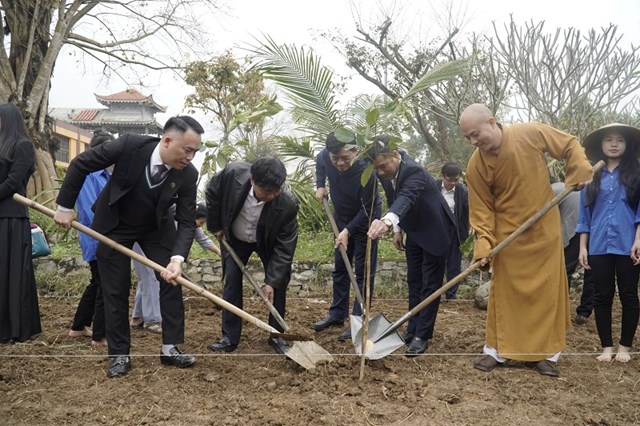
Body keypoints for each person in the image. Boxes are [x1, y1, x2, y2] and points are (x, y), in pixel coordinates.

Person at [54, 115, 204, 378]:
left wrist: (177, 260)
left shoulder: (188, 174)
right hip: (115, 223)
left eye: (195, 152)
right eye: (187, 149)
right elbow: (81, 164)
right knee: (115, 288)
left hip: (155, 228)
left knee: (172, 280)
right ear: (167, 141)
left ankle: (170, 348)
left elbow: (187, 221)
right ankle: (120, 354)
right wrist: (65, 207)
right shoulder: (129, 146)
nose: (191, 157)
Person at [461, 103, 592, 377]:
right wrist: (484, 243)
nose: (474, 142)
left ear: (492, 122)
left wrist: (577, 171)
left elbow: (569, 144)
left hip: (543, 230)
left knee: (546, 292)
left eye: (476, 134)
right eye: (468, 138)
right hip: (508, 237)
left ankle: (546, 355)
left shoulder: (530, 132)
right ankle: (497, 352)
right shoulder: (476, 164)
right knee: (504, 296)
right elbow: (481, 209)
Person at [366, 136, 453, 356]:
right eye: (376, 168)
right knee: (414, 282)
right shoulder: (386, 174)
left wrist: (387, 221)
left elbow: (406, 197)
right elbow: (393, 198)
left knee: (429, 286)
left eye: (383, 166)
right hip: (413, 230)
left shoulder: (414, 171)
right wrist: (398, 230)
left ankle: (422, 336)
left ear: (395, 155)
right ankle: (412, 327)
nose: (381, 172)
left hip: (434, 232)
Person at [206, 157, 298, 355]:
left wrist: (271, 281)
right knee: (231, 281)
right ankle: (229, 337)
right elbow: (212, 192)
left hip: (268, 242)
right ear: (252, 181)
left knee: (279, 283)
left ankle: (277, 335)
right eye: (267, 192)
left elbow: (284, 248)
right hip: (235, 239)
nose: (273, 195)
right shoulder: (232, 175)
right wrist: (216, 225)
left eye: (277, 190)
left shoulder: (288, 204)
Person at [577, 123, 640, 363]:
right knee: (602, 296)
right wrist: (583, 247)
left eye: (620, 140)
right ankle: (606, 347)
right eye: (609, 140)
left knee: (629, 295)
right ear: (601, 145)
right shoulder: (591, 175)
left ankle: (625, 347)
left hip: (628, 244)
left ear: (627, 145)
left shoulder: (636, 173)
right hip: (599, 244)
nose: (614, 144)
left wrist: (638, 240)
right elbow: (586, 215)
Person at [312, 132, 381, 341]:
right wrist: (320, 185)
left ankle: (358, 319)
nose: (340, 163)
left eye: (345, 158)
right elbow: (320, 162)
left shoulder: (367, 170)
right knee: (341, 268)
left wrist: (347, 231)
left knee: (362, 273)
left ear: (355, 150)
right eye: (336, 159)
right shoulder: (326, 156)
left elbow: (366, 208)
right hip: (341, 218)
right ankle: (337, 314)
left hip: (366, 222)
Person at [130, 203, 221, 332]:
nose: (200, 225)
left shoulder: (191, 225)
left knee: (147, 279)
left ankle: (138, 317)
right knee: (151, 278)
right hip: (143, 242)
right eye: (200, 222)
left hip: (158, 247)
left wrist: (219, 252)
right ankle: (152, 321)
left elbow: (204, 240)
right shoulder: (174, 216)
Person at [67, 131, 114, 346]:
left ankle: (78, 326)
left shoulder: (106, 175)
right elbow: (88, 210)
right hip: (96, 237)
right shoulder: (86, 173)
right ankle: (100, 336)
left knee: (97, 282)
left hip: (106, 236)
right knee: (105, 284)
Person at [0, 103, 41, 343]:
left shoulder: (23, 146)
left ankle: (14, 328)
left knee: (13, 273)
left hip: (12, 219)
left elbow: (13, 183)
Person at [551, 181, 594, 325]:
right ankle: (584, 313)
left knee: (565, 270)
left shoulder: (553, 189)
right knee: (590, 269)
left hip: (577, 227)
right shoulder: (560, 187)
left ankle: (560, 311)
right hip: (594, 226)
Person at [435, 162, 469, 300]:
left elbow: (470, 208)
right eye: (450, 180)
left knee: (454, 264)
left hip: (455, 232)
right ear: (443, 176)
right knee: (436, 263)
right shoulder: (434, 187)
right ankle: (434, 293)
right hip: (436, 231)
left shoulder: (463, 190)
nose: (453, 183)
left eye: (456, 180)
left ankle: (451, 294)